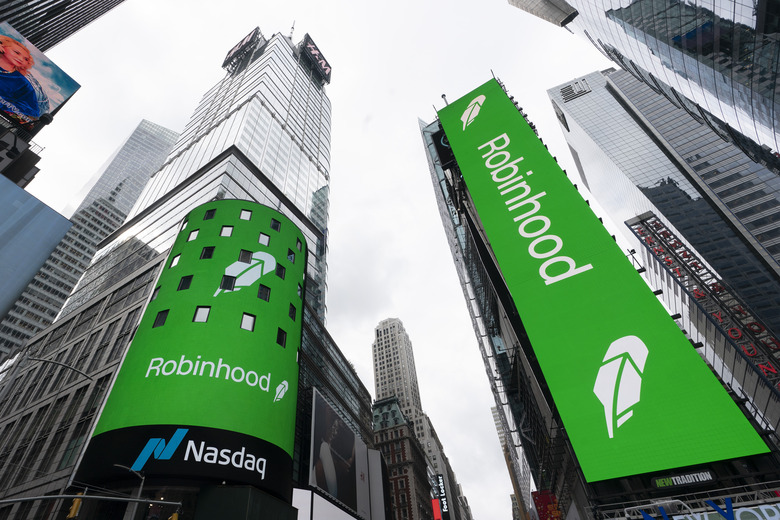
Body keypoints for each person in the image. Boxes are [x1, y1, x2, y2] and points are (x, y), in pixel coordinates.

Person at [0, 34, 40, 123]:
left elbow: (32, 115)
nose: (21, 59)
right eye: (16, 52)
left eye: (26, 59)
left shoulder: (22, 82)